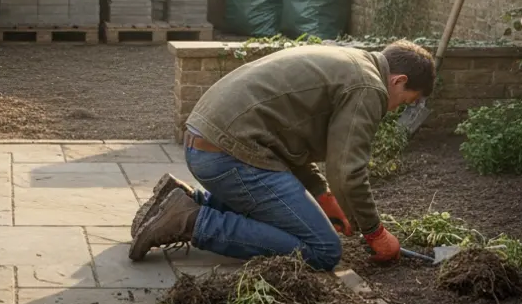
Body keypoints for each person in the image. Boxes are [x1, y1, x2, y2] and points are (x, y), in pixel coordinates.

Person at [128, 40, 436, 270]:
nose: (394, 109)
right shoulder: (370, 88)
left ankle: (187, 199)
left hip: (206, 143)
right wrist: (374, 232)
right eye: (404, 101)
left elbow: (291, 137)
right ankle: (190, 221)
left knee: (292, 221)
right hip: (228, 156)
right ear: (398, 80)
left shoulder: (351, 61)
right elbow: (347, 171)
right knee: (323, 250)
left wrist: (322, 194)